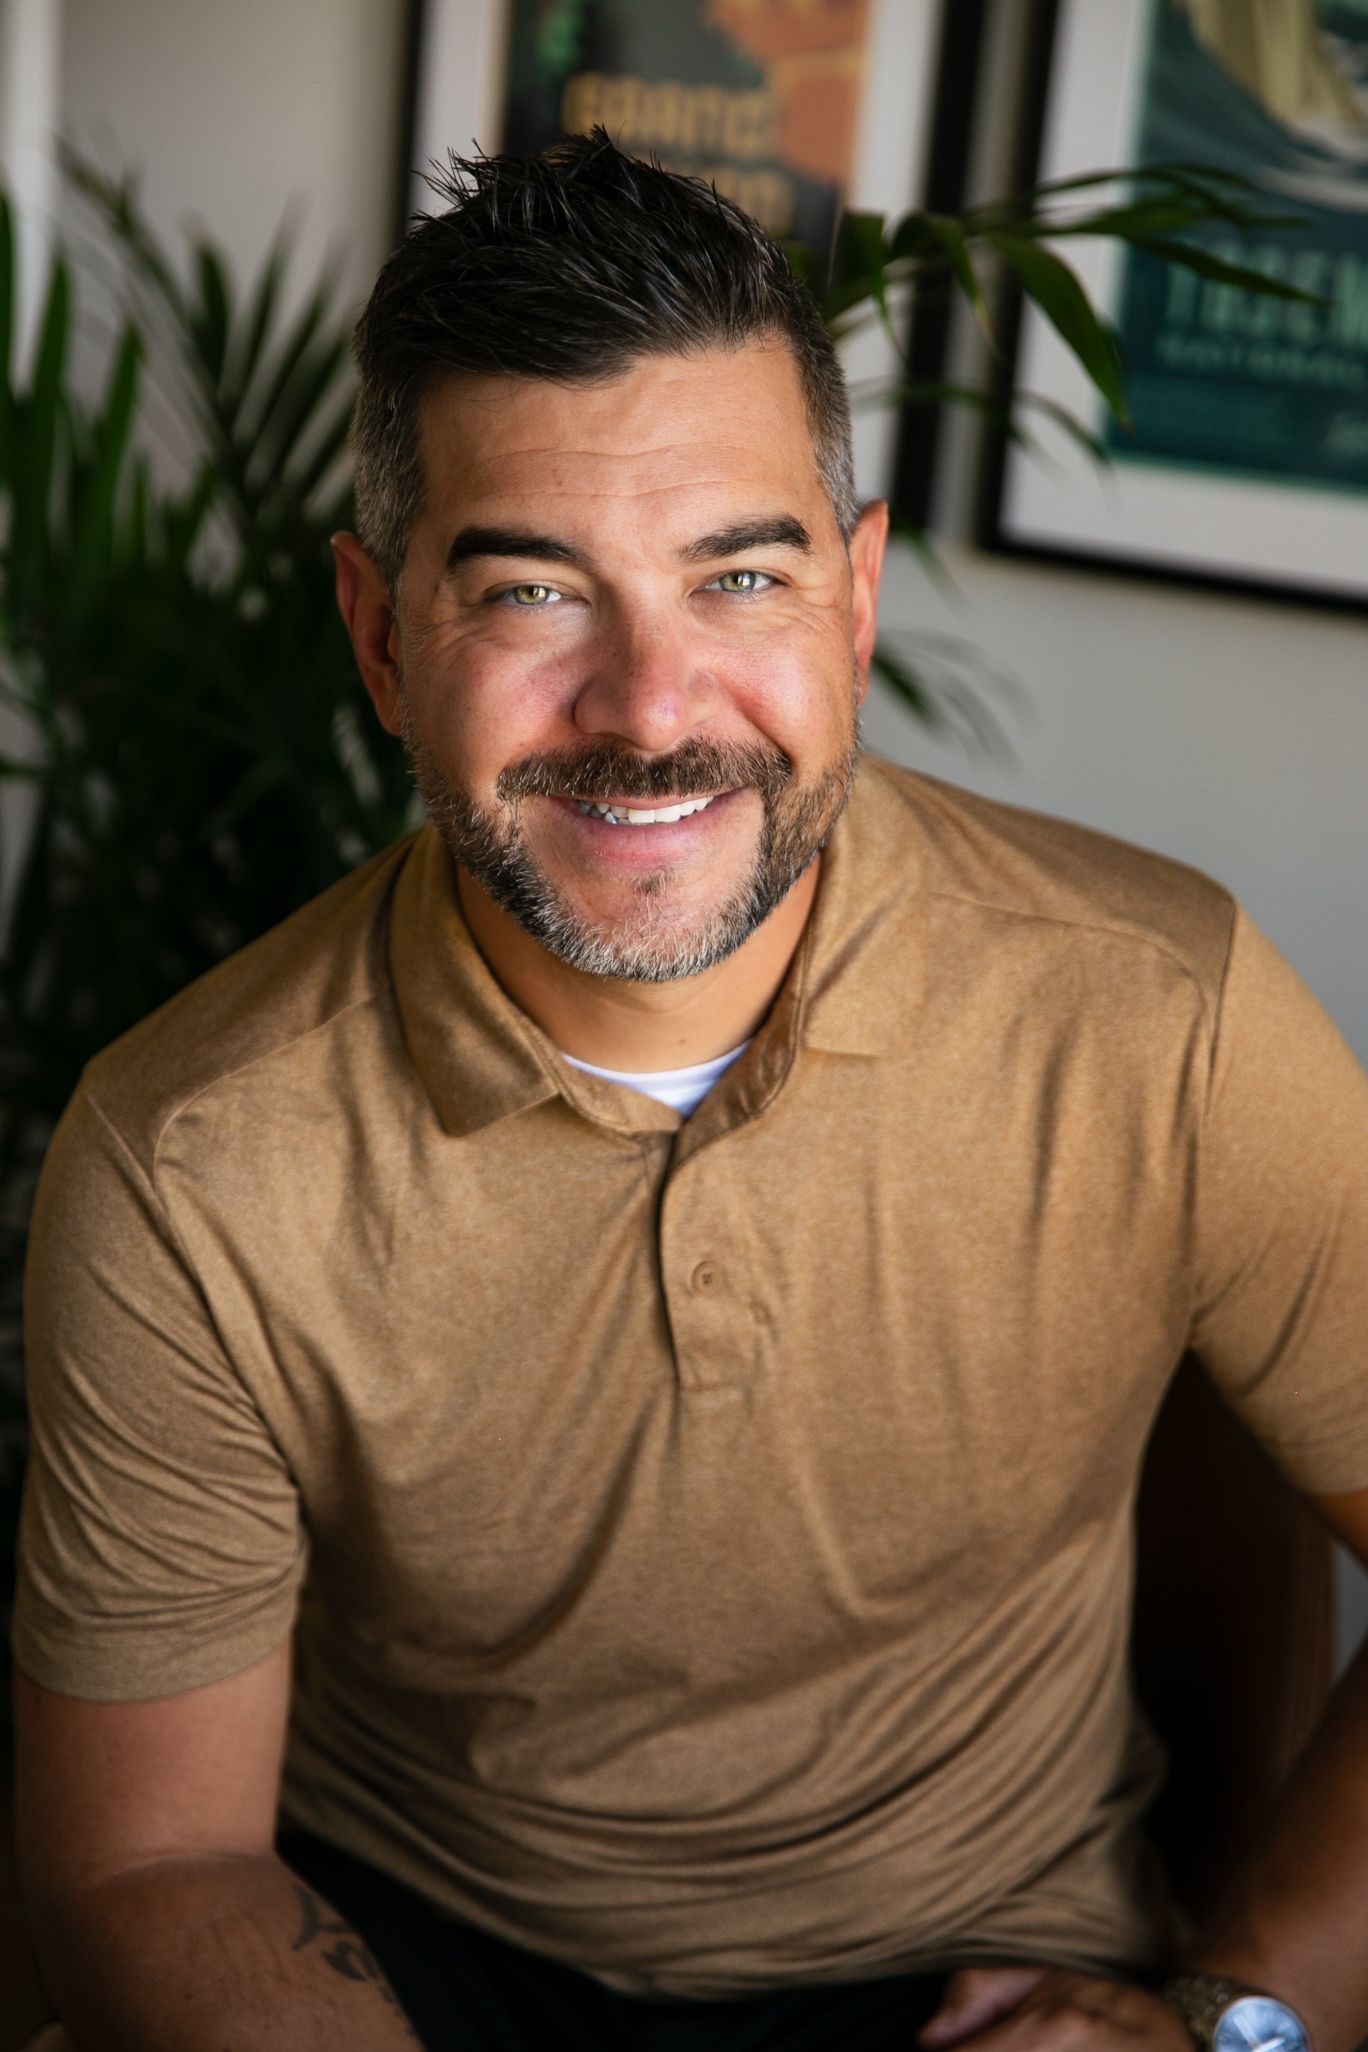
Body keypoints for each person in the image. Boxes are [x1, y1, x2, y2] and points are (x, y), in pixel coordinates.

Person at [10, 132, 1368, 2052]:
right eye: (534, 594)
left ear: (858, 597)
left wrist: (1247, 2019)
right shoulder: (187, 1156)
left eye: (738, 574)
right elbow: (150, 1866)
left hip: (987, 1970)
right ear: (383, 641)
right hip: (403, 1953)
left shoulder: (1167, 1014)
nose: (652, 707)